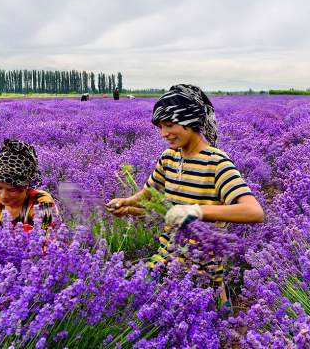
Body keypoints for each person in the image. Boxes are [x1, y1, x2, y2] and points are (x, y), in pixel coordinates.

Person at [106, 84, 264, 314]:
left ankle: (219, 291)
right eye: (160, 127)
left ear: (191, 121)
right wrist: (127, 204)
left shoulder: (216, 162)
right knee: (125, 301)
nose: (163, 134)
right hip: (164, 261)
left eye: (169, 125)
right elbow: (149, 198)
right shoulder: (169, 158)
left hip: (200, 269)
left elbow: (254, 211)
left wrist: (196, 211)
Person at [0, 139, 59, 239]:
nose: (3, 195)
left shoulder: (42, 203)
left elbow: (48, 244)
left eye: (11, 190)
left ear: (26, 186)